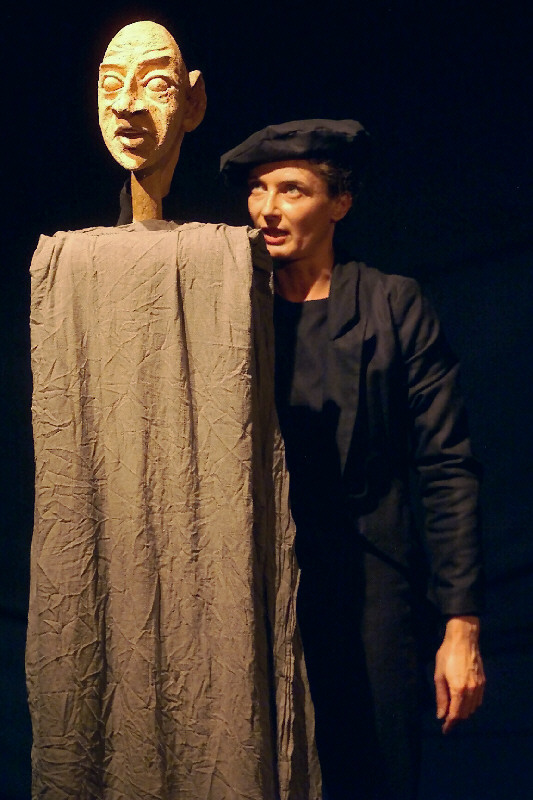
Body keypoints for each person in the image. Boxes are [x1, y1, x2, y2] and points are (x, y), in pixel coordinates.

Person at [220, 119, 486, 800]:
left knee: (370, 774)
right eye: (256, 189)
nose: (267, 208)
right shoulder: (229, 311)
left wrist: (460, 626)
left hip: (371, 586)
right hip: (254, 584)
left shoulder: (391, 305)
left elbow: (447, 467)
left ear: (339, 203)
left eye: (291, 189)